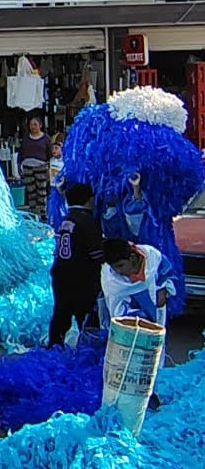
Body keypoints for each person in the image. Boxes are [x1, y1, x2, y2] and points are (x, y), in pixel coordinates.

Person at [48, 182, 104, 346]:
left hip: (60, 274)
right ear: (89, 200)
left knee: (60, 314)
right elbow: (96, 254)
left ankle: (54, 347)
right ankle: (89, 350)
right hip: (82, 277)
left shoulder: (65, 220)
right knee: (87, 317)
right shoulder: (88, 221)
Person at [101, 238, 175, 328]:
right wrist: (139, 317)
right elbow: (116, 309)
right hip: (129, 326)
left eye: (121, 266)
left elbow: (166, 272)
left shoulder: (152, 256)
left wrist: (162, 289)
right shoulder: (110, 279)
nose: (118, 271)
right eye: (114, 268)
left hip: (157, 312)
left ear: (132, 258)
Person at [20, 115, 51, 218]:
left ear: (40, 125)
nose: (32, 127)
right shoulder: (26, 139)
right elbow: (22, 152)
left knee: (41, 191)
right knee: (31, 191)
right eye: (31, 125)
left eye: (35, 124)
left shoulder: (46, 138)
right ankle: (33, 213)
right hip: (27, 166)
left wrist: (48, 165)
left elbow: (49, 153)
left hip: (41, 166)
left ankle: (43, 213)